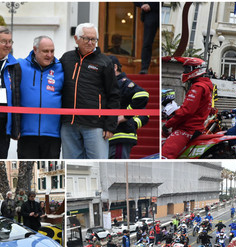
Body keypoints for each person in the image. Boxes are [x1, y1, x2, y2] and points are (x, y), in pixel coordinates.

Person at [60, 23, 120, 159]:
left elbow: (114, 95)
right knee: (72, 165)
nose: (90, 42)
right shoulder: (66, 58)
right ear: (76, 39)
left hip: (95, 125)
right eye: (86, 38)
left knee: (98, 163)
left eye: (94, 39)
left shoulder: (105, 62)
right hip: (69, 123)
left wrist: (110, 125)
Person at [17, 36, 64, 159]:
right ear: (35, 49)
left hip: (53, 135)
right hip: (27, 133)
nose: (49, 55)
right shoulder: (20, 65)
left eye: (52, 51)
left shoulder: (61, 68)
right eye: (45, 51)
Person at [162, 57, 213, 159]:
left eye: (187, 69)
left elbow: (187, 111)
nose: (185, 72)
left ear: (196, 69)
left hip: (188, 129)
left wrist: (168, 124)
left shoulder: (198, 87)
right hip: (194, 127)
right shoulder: (205, 86)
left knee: (165, 155)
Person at [108, 55, 149, 159]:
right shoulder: (109, 84)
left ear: (115, 67)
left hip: (121, 135)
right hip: (110, 135)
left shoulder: (123, 83)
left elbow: (142, 96)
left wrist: (126, 118)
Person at [0, 27, 21, 158]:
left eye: (10, 42)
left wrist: (16, 126)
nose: (8, 45)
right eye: (3, 41)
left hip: (3, 121)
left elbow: (17, 96)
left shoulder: (14, 65)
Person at [134, 3, 159, 74]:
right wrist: (142, 4)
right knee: (147, 42)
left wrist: (151, 6)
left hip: (157, 12)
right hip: (149, 16)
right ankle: (144, 68)